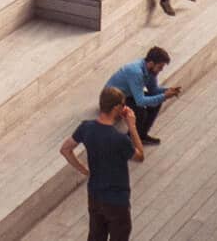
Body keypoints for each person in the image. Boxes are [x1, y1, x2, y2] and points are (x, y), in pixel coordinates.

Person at [60, 87, 145, 241]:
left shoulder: (86, 128)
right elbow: (140, 156)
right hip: (117, 201)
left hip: (95, 196)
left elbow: (65, 149)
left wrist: (85, 171)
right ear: (116, 108)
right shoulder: (120, 140)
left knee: (96, 236)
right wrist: (132, 126)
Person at [106, 47, 182, 146]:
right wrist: (164, 96)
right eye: (160, 67)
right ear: (151, 63)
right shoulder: (136, 72)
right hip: (111, 100)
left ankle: (141, 135)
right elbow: (140, 101)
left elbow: (153, 90)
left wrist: (167, 91)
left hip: (127, 95)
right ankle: (130, 139)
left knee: (156, 102)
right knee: (140, 111)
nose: (161, 70)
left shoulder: (151, 71)